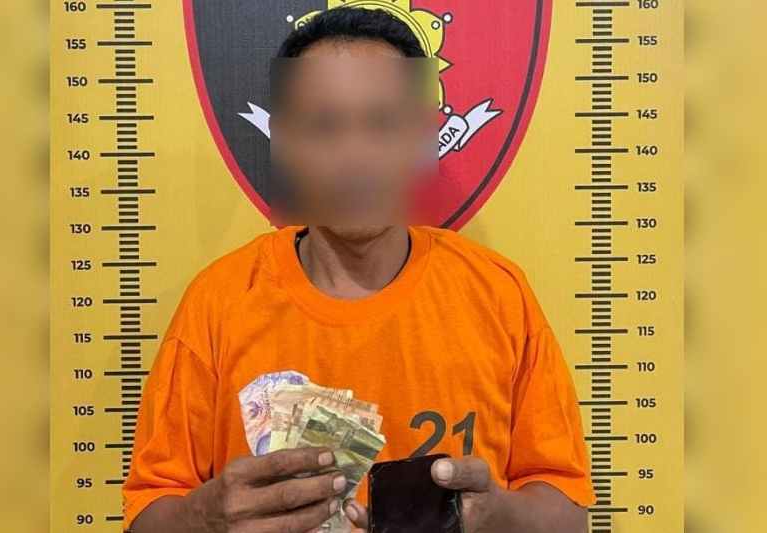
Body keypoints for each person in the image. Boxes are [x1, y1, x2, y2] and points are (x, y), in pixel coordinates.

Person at [123, 7, 595, 533]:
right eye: (324, 127)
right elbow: (147, 516)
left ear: (423, 137)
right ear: (283, 141)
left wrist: (494, 515)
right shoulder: (219, 302)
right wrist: (205, 517)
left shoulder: (498, 295)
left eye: (383, 124)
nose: (356, 156)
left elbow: (569, 515)